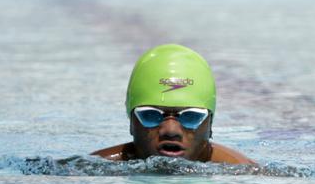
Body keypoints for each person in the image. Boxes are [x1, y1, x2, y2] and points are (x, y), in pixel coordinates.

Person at [93, 44, 256, 165]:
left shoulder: (244, 172)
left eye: (191, 117)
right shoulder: (90, 167)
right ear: (131, 123)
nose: (170, 131)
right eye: (150, 115)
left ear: (210, 124)